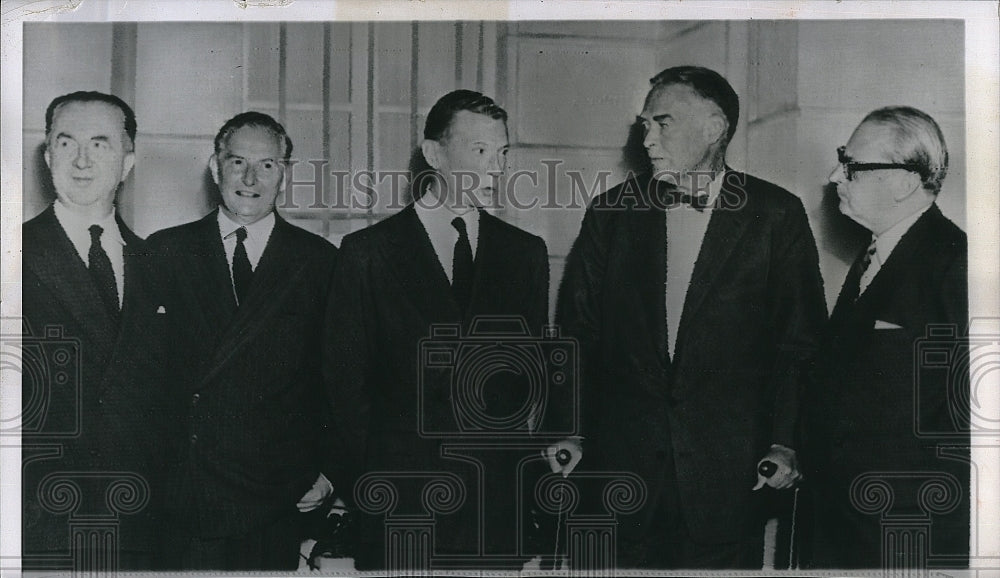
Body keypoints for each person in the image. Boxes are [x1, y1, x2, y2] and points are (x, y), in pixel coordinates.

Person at [551, 66, 827, 569]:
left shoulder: (776, 214)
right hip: (619, 477)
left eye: (663, 123)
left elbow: (799, 343)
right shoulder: (611, 213)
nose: (648, 139)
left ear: (715, 126)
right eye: (643, 126)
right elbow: (577, 335)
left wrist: (786, 443)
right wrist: (568, 429)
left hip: (729, 480)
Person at [324, 89, 550, 571]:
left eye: (503, 152)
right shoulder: (367, 253)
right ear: (433, 154)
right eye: (480, 151)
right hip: (400, 501)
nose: (496, 167)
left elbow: (530, 382)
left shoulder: (525, 253)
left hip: (495, 506)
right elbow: (344, 387)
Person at [147, 112, 338, 570]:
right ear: (216, 168)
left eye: (267, 165)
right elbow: (142, 378)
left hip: (278, 494)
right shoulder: (164, 253)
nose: (251, 178)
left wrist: (331, 474)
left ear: (284, 174)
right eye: (237, 162)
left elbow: (339, 380)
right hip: (186, 497)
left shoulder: (319, 262)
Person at [804, 106, 969, 569]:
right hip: (842, 526)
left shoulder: (955, 262)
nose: (836, 174)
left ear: (903, 182)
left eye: (852, 165)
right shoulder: (872, 256)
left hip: (903, 533)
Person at [21, 91, 168, 570]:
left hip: (142, 525)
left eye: (101, 144)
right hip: (38, 525)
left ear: (128, 161)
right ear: (47, 158)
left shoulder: (161, 265)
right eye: (66, 144)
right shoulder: (12, 254)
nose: (82, 159)